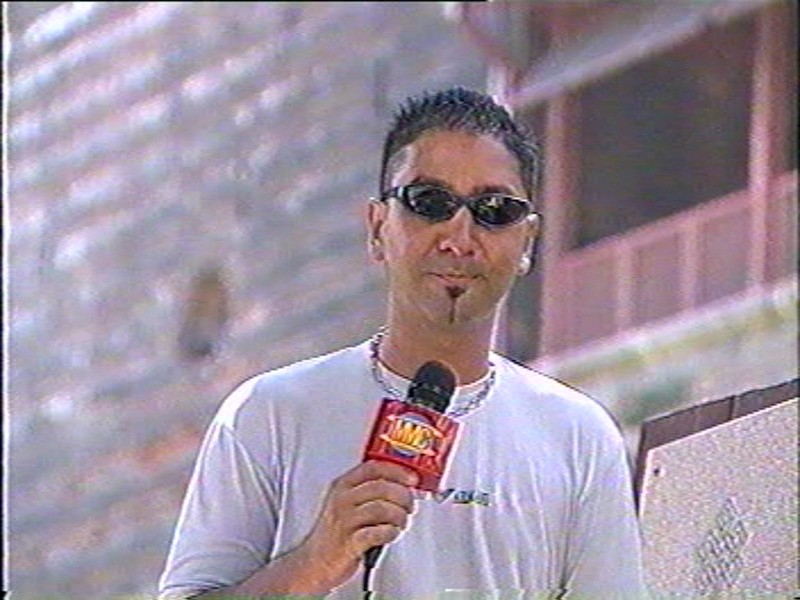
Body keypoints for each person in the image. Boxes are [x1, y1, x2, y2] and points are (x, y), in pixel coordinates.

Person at [158, 87, 647, 599]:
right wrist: (313, 563)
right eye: (429, 203)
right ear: (377, 228)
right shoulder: (269, 413)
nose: (459, 237)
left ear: (526, 242)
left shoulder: (577, 435)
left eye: (494, 209)